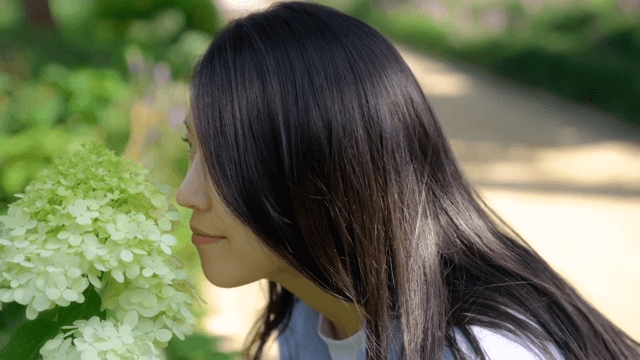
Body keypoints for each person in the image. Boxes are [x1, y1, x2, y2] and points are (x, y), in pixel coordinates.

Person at [175, 2, 640, 359]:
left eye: (222, 160)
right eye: (191, 150)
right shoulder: (308, 311)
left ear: (318, 165)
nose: (186, 194)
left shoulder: (481, 348)